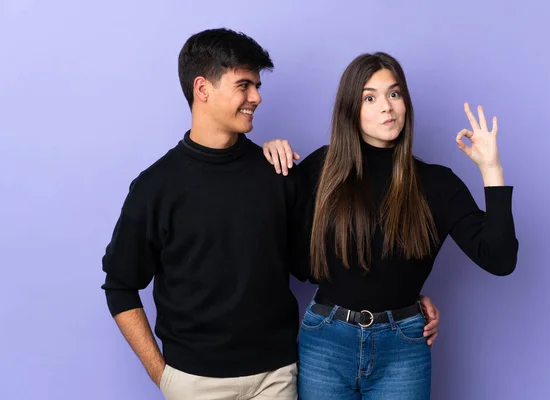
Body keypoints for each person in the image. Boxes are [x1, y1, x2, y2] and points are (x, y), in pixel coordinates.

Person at [100, 29, 441, 400]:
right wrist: (162, 375)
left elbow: (316, 266)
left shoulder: (277, 173)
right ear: (202, 89)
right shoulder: (155, 187)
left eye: (257, 85)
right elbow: (120, 286)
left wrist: (403, 297)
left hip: (277, 378)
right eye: (244, 85)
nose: (257, 98)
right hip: (194, 381)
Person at [262, 52, 518, 399]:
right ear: (351, 109)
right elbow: (292, 259)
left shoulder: (437, 184)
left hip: (403, 348)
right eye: (370, 97)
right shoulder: (321, 170)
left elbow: (500, 260)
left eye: (394, 94)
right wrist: (269, 158)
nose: (387, 107)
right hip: (325, 341)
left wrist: (491, 168)